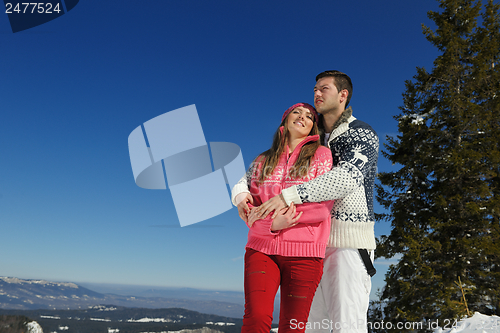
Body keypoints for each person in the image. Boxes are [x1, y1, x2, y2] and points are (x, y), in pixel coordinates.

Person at [232, 71, 379, 333]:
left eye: (324, 88)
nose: (317, 94)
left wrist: (287, 196)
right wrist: (240, 194)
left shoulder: (360, 132)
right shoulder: (315, 138)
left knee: (348, 325)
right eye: (315, 89)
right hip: (313, 244)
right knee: (312, 327)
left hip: (347, 244)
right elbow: (255, 176)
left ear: (343, 95)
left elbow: (347, 177)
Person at [233, 102, 334, 333]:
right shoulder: (262, 160)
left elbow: (322, 207)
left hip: (305, 254)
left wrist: (284, 218)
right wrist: (271, 225)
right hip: (261, 249)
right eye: (296, 112)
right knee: (256, 318)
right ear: (285, 121)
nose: (302, 117)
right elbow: (250, 209)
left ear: (313, 128)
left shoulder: (321, 156)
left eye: (310, 116)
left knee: (292, 325)